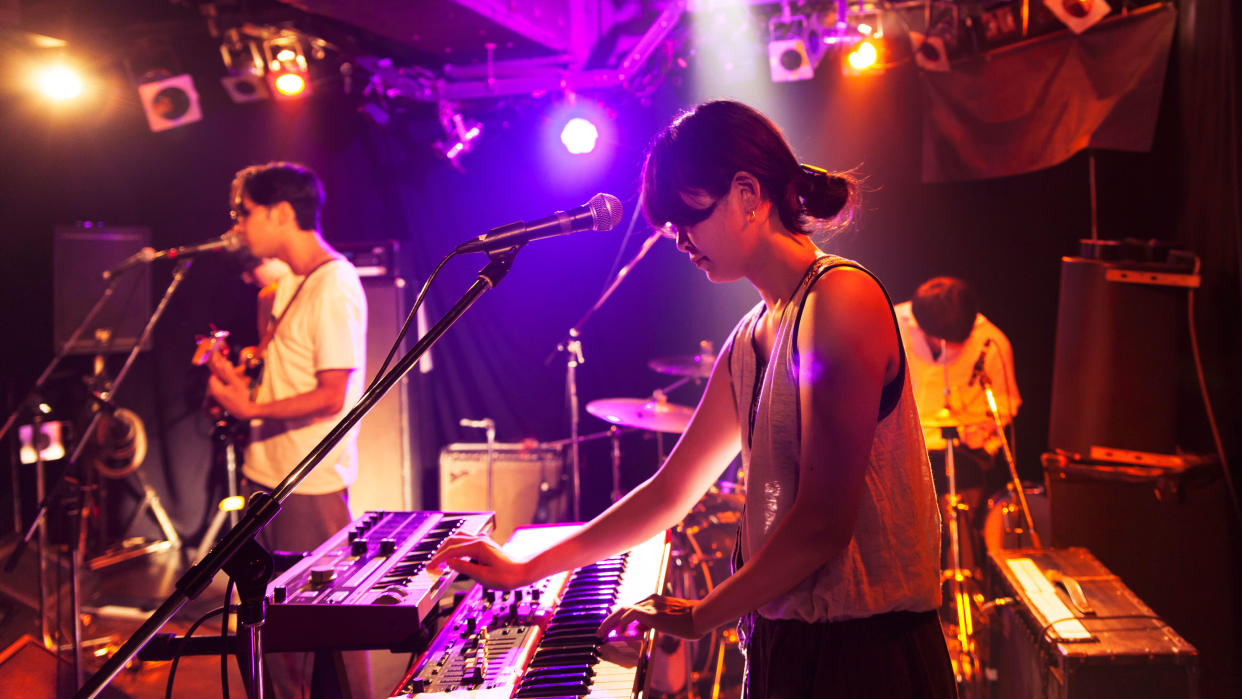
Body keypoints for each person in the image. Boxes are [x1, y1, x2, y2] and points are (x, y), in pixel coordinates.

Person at [429, 100, 955, 698]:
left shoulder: (841, 300)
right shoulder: (751, 336)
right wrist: (528, 568)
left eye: (688, 218)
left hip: (866, 658)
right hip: (787, 645)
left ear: (748, 193)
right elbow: (669, 493)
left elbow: (822, 525)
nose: (680, 242)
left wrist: (699, 615)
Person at [206, 162, 370, 698]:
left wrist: (250, 411)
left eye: (244, 212)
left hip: (307, 485)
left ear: (280, 213)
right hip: (267, 478)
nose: (237, 224)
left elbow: (330, 396)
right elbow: (284, 375)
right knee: (272, 640)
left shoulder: (335, 284)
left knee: (316, 639)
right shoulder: (289, 282)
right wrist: (237, 384)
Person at [894, 277, 1021, 572]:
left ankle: (961, 590)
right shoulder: (891, 324)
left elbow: (1005, 406)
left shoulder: (992, 342)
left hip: (960, 456)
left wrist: (985, 431)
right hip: (902, 452)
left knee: (955, 530)